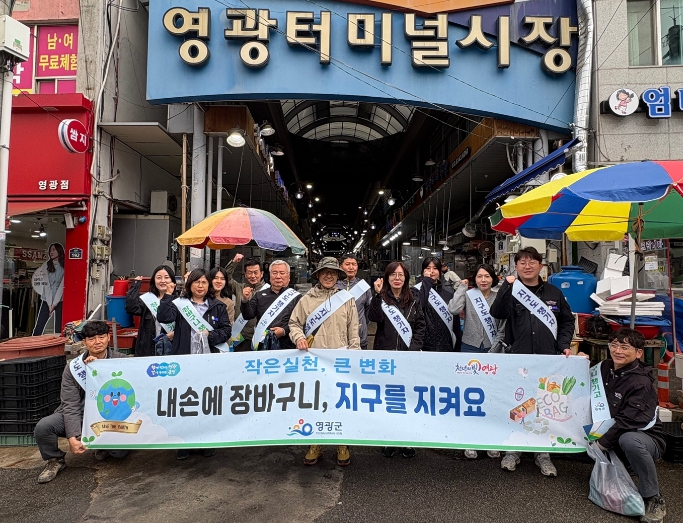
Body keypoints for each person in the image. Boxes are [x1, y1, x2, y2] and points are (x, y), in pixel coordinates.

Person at [490, 246, 575, 477]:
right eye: (522, 262)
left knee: (544, 405)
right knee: (518, 403)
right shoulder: (512, 290)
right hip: (519, 359)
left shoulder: (554, 292)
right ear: (516, 266)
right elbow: (497, 312)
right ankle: (513, 450)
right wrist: (506, 287)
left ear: (541, 266)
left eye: (532, 262)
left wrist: (564, 344)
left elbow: (567, 321)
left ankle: (543, 453)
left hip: (548, 359)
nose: (527, 266)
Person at [588, 329, 667, 523]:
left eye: (624, 347)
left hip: (644, 438)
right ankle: (626, 464)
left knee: (628, 440)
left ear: (639, 353)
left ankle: (653, 497)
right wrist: (580, 359)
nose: (618, 351)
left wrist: (602, 444)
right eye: (614, 345)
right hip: (610, 431)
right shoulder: (604, 367)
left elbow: (628, 421)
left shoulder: (640, 382)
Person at [34, 321, 128, 483]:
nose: (97, 342)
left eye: (101, 337)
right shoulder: (73, 367)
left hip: (109, 415)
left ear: (108, 337)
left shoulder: (123, 361)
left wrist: (100, 370)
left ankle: (102, 446)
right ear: (84, 342)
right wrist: (73, 435)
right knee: (44, 426)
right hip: (81, 413)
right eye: (91, 339)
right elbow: (70, 404)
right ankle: (55, 459)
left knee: (119, 453)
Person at [289, 257, 360, 466]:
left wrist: (354, 355)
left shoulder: (346, 299)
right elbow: (294, 323)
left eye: (333, 272)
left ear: (338, 276)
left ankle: (342, 443)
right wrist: (299, 337)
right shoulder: (306, 299)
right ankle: (315, 443)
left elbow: (353, 330)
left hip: (340, 359)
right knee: (316, 402)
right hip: (314, 360)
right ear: (318, 275)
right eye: (325, 272)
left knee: (340, 402)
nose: (329, 276)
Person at [157, 269, 231, 460]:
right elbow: (164, 317)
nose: (200, 286)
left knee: (207, 402)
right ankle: (184, 442)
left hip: (209, 362)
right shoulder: (180, 304)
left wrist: (210, 335)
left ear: (209, 285)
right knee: (184, 402)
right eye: (196, 282)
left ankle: (207, 440)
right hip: (184, 360)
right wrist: (167, 296)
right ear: (189, 284)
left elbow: (226, 331)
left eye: (204, 282)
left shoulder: (218, 306)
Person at [448, 263, 506, 460]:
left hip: (493, 348)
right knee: (470, 395)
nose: (483, 280)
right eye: (480, 276)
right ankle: (470, 439)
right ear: (475, 278)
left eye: (487, 276)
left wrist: (495, 348)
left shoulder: (499, 296)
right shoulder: (469, 294)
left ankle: (491, 439)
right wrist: (462, 288)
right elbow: (453, 309)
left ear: (493, 278)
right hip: (470, 347)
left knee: (492, 396)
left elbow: (503, 325)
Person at [369, 261, 425, 459]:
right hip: (386, 357)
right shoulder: (382, 298)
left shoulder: (414, 299)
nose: (397, 278)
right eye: (393, 274)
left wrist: (414, 349)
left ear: (406, 277)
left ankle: (407, 440)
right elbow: (373, 317)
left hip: (408, 357)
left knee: (407, 399)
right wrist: (377, 295)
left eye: (400, 274)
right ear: (387, 277)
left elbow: (420, 326)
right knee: (388, 400)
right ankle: (388, 438)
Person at [241, 260, 301, 350]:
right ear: (269, 276)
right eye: (274, 273)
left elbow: (301, 322)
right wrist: (245, 300)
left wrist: (284, 330)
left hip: (288, 345)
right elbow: (248, 316)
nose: (278, 276)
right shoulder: (259, 295)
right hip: (263, 345)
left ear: (289, 276)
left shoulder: (297, 297)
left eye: (282, 273)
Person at [125, 266, 177, 357]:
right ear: (154, 280)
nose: (163, 281)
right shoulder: (147, 299)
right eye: (159, 278)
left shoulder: (178, 301)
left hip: (170, 348)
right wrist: (135, 285)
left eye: (166, 277)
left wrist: (175, 333)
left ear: (172, 280)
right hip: (147, 348)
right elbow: (131, 308)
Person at [412, 257, 461, 352]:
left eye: (435, 268)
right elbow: (420, 307)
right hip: (424, 346)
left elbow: (455, 321)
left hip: (445, 346)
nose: (431, 271)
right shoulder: (415, 291)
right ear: (423, 271)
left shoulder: (449, 291)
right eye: (428, 268)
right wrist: (426, 282)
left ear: (439, 271)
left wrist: (457, 347)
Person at [225, 254, 268, 352]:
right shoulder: (239, 287)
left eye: (255, 272)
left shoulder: (269, 290)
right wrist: (234, 262)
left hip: (262, 337)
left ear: (261, 274)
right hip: (241, 337)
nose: (253, 276)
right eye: (249, 273)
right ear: (245, 274)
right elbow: (225, 278)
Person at [336, 253, 372, 350]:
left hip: (359, 336)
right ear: (340, 266)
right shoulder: (334, 286)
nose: (351, 267)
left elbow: (368, 311)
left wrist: (361, 325)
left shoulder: (363, 287)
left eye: (354, 264)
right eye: (347, 264)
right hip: (337, 337)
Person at [32, 242, 65, 335]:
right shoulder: (46, 265)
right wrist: (50, 304)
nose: (51, 252)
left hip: (60, 299)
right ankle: (33, 342)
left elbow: (61, 287)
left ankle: (58, 344)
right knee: (39, 326)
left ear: (59, 251)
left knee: (59, 328)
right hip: (46, 299)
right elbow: (46, 286)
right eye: (50, 250)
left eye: (54, 250)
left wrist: (54, 304)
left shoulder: (65, 266)